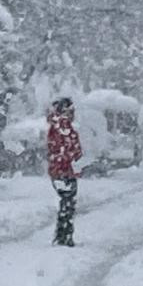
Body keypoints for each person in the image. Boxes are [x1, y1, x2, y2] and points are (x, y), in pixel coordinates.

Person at [46, 97, 83, 247]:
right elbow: (65, 148)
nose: (73, 113)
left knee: (66, 203)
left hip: (61, 170)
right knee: (68, 203)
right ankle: (65, 236)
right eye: (71, 110)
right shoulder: (63, 127)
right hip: (64, 170)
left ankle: (63, 234)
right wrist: (72, 159)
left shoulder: (57, 126)